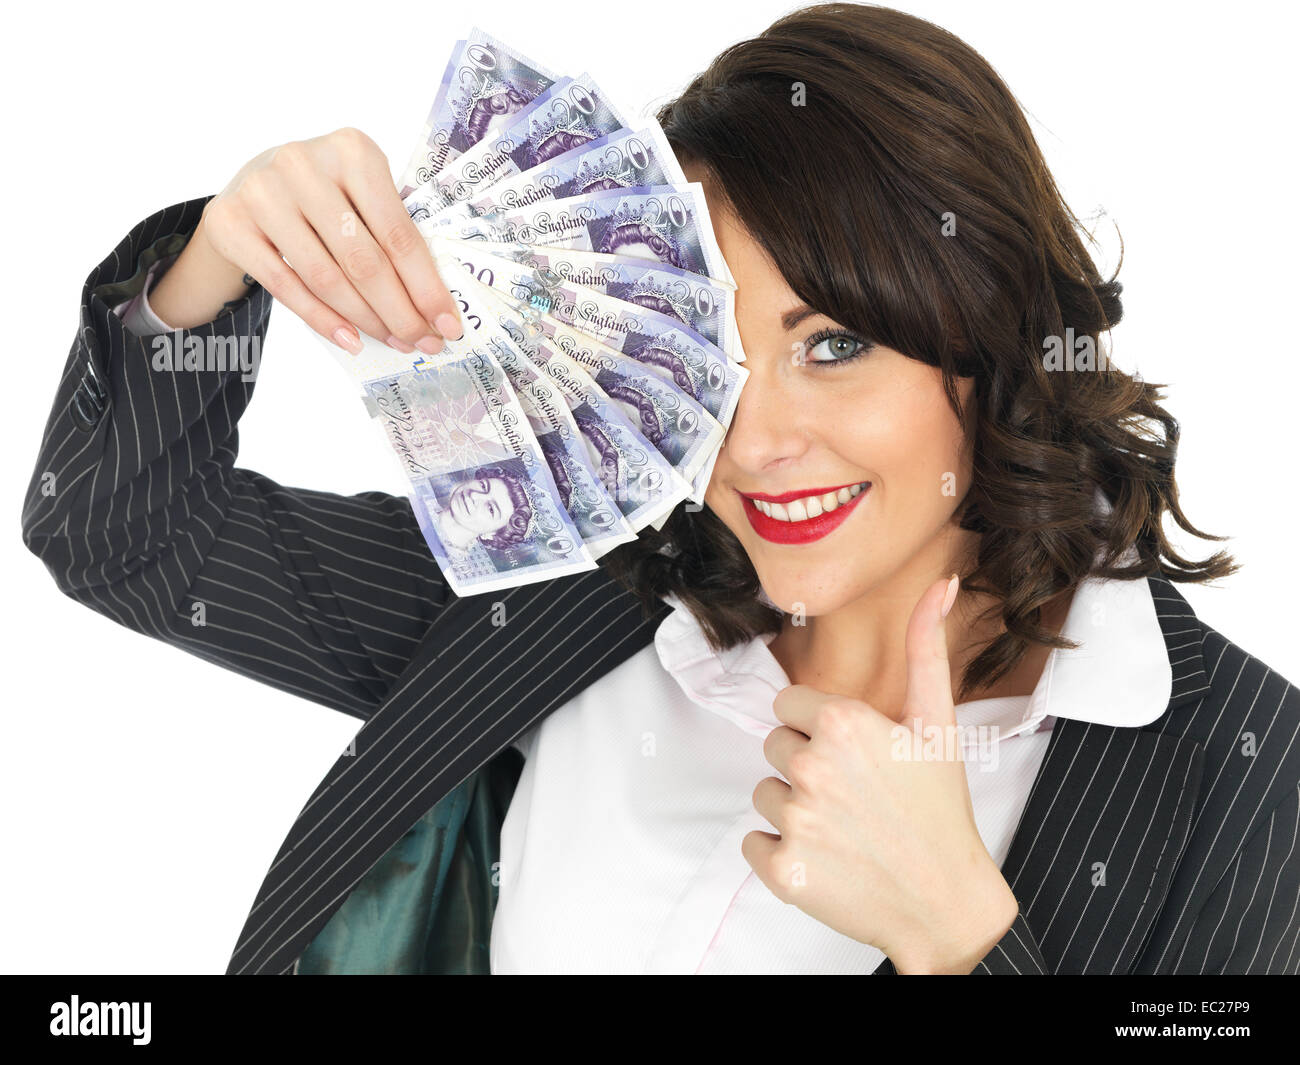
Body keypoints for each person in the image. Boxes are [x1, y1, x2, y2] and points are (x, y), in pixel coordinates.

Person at [21, 2, 1300, 974]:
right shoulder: (567, 606)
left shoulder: (1251, 776)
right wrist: (216, 267)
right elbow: (126, 535)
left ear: (993, 334)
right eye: (712, 355)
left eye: (832, 345)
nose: (752, 443)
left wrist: (959, 938)